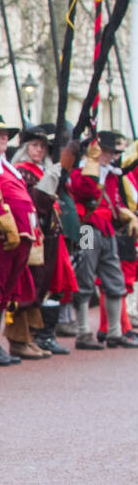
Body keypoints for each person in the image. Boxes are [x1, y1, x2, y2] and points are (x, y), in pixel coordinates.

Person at [0, 116, 40, 364]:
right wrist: (8, 226)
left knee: (4, 295)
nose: (4, 137)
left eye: (6, 135)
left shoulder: (5, 165)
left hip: (20, 241)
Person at [67, 131, 138, 348]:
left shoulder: (110, 175)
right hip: (87, 229)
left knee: (115, 279)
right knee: (85, 277)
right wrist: (92, 162)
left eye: (110, 153)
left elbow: (114, 202)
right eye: (105, 152)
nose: (109, 156)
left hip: (107, 230)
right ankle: (83, 332)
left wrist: (125, 213)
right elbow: (86, 190)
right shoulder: (83, 171)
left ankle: (114, 331)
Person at [10, 125, 76, 355]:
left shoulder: (46, 170)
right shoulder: (22, 171)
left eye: (42, 146)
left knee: (55, 284)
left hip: (67, 234)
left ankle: (42, 335)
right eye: (35, 145)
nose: (39, 150)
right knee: (32, 285)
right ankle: (33, 336)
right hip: (46, 232)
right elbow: (36, 202)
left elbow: (72, 195)